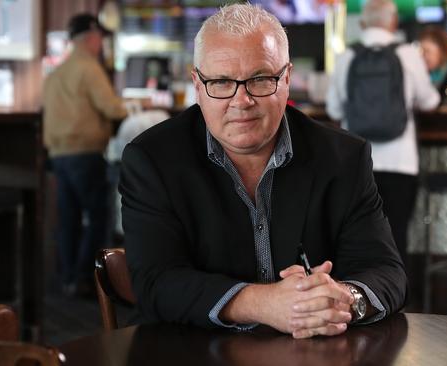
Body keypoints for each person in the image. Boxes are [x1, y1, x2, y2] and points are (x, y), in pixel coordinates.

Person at [119, 4, 405, 339]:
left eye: (260, 79)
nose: (242, 101)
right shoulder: (152, 159)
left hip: (311, 356)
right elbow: (156, 282)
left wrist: (343, 300)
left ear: (286, 79)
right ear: (197, 84)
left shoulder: (343, 158)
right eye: (222, 82)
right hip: (188, 351)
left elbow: (387, 272)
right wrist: (262, 303)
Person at [326, 0, 439, 269]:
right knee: (396, 235)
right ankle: (398, 301)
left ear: (363, 23)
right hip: (401, 162)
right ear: (393, 21)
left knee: (357, 238)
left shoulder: (347, 56)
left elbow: (333, 107)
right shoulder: (408, 54)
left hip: (358, 162)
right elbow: (430, 101)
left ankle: (361, 299)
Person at [43, 13, 128, 296]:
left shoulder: (57, 71)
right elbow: (113, 109)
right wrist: (133, 107)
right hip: (84, 153)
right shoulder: (88, 68)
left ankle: (68, 278)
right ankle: (85, 279)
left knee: (68, 218)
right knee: (99, 216)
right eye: (100, 39)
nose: (100, 44)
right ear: (92, 38)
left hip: (58, 156)